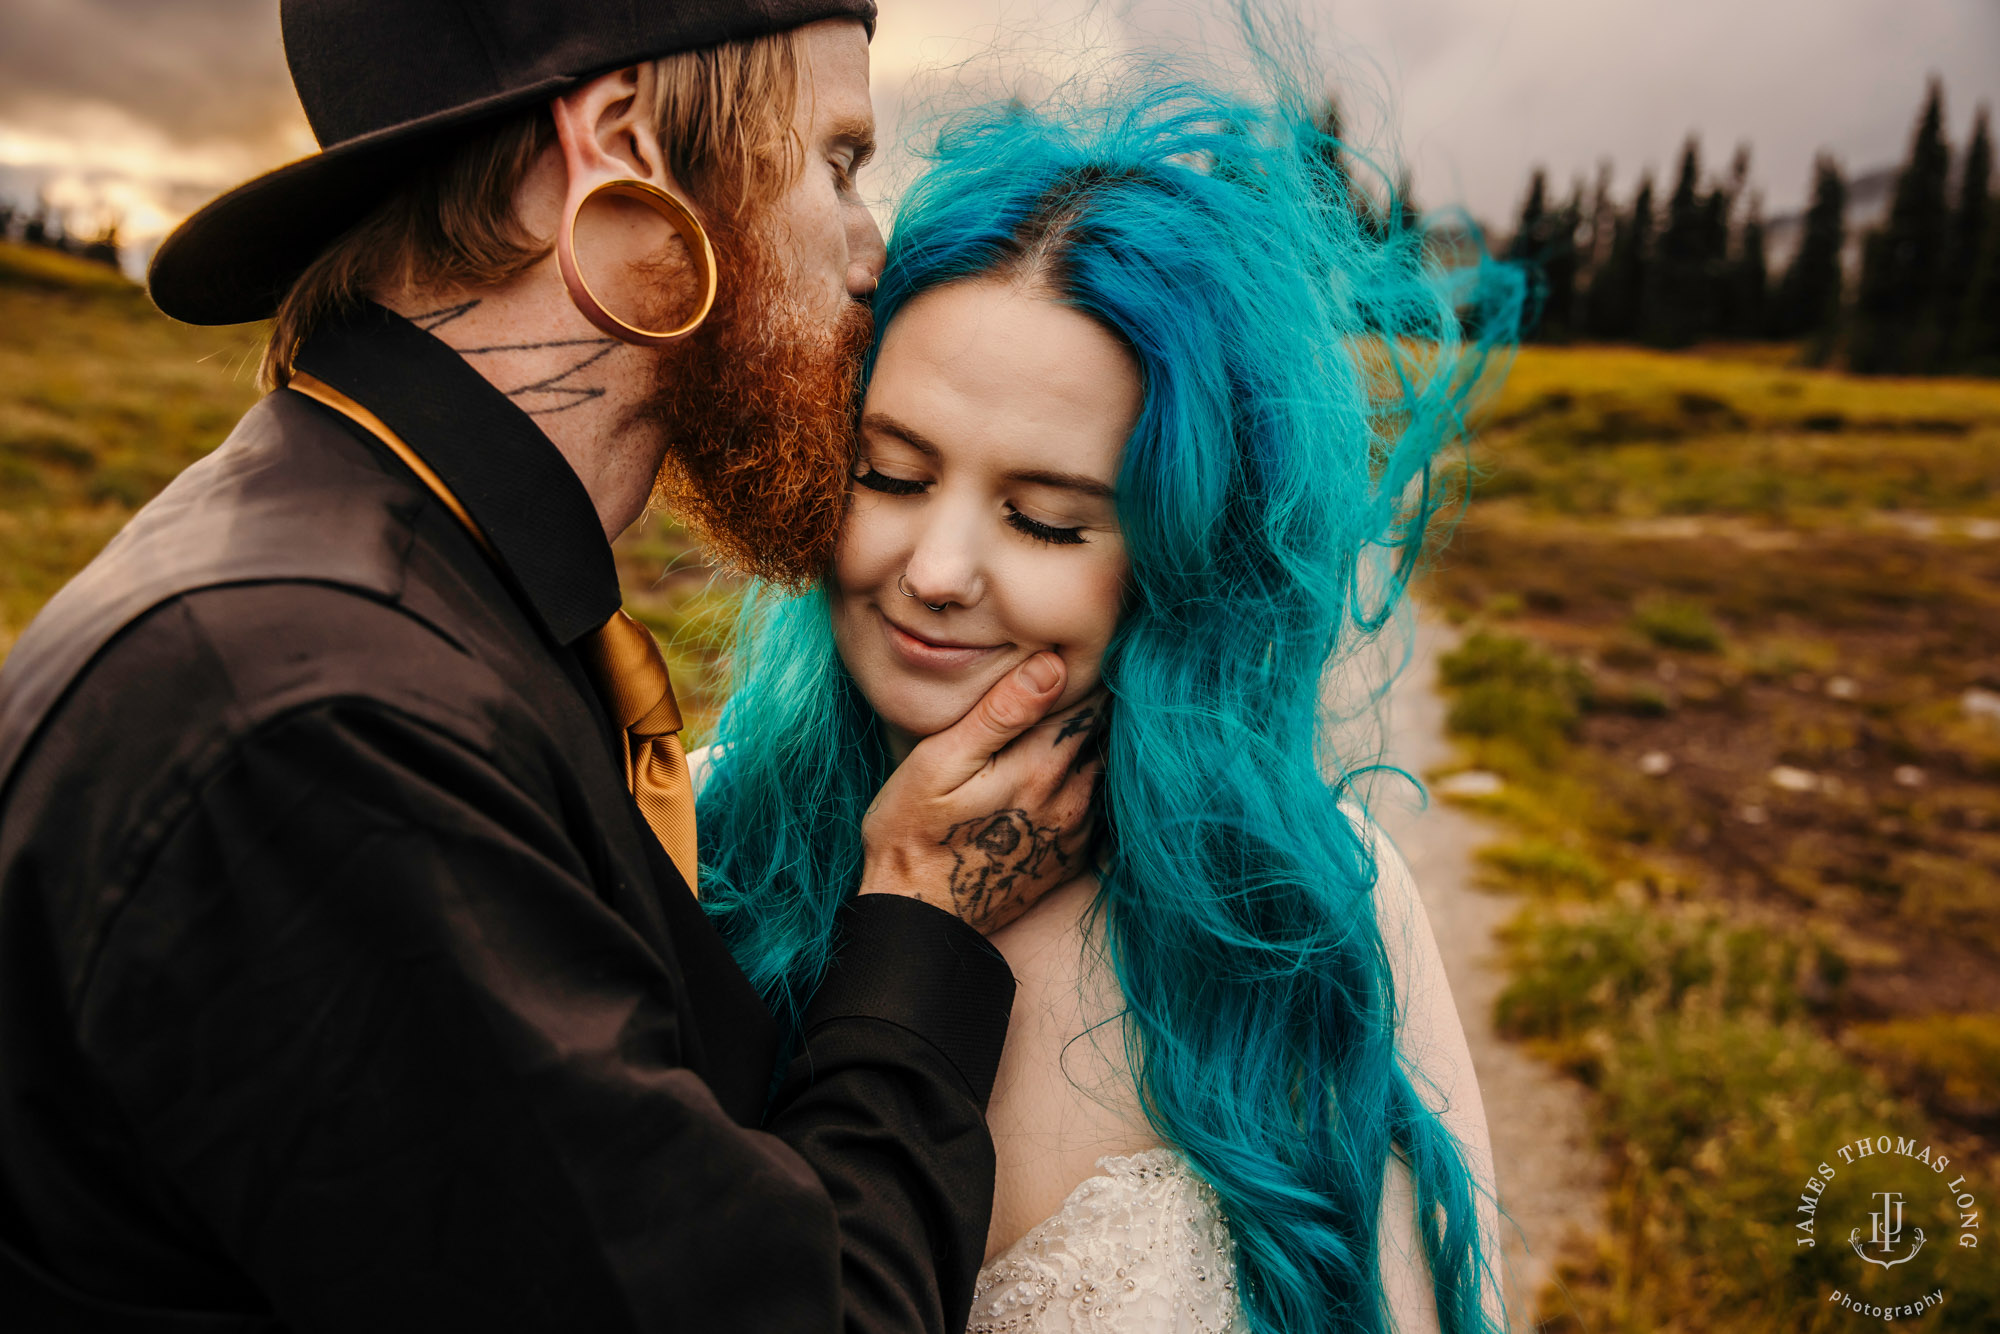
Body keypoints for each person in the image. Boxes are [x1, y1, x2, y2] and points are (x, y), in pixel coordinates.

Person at [0, 3, 1101, 1331]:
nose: (873, 253)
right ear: (625, 145)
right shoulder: (320, 724)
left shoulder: (421, 603)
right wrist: (920, 919)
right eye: (838, 164)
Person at [692, 64, 1522, 1334]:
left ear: (1178, 561)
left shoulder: (1298, 903)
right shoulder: (696, 839)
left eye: (1042, 518)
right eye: (891, 474)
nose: (936, 570)